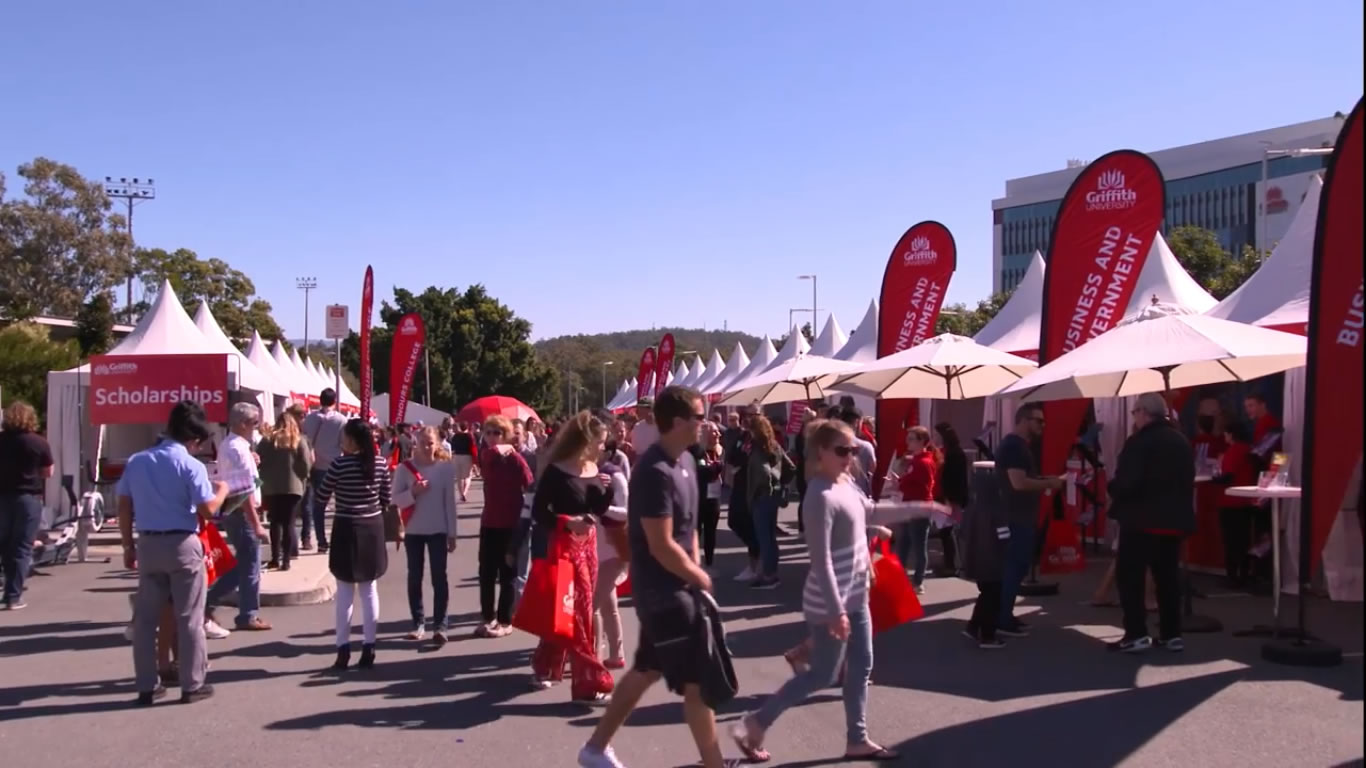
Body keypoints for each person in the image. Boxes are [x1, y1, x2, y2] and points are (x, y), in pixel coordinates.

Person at [578, 386, 743, 768]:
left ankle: (595, 747)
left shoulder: (685, 460)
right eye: (701, 418)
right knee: (697, 682)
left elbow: (691, 528)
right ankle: (713, 763)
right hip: (664, 592)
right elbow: (660, 543)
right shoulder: (653, 471)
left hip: (678, 588)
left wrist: (697, 567)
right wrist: (699, 577)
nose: (707, 424)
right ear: (680, 422)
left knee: (646, 671)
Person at [730, 419, 899, 763]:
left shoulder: (845, 483)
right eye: (842, 450)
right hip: (831, 599)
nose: (850, 456)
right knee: (822, 674)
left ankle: (857, 739)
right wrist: (836, 611)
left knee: (861, 664)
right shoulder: (819, 495)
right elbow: (820, 561)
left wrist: (920, 509)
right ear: (821, 452)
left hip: (857, 593)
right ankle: (754, 725)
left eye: (853, 449)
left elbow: (864, 513)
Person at [117, 400, 229, 704]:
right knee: (189, 617)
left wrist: (128, 544)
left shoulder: (138, 461)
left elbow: (124, 504)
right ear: (194, 439)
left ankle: (146, 683)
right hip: (182, 543)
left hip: (149, 542)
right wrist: (223, 491)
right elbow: (207, 510)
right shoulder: (191, 465)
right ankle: (192, 684)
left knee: (145, 620)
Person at [528, 411, 615, 702]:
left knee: (581, 609)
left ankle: (546, 664)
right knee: (569, 609)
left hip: (588, 545)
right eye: (599, 442)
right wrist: (567, 521)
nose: (603, 447)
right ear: (585, 441)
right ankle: (588, 678)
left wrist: (609, 489)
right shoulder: (556, 471)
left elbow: (598, 509)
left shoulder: (593, 468)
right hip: (563, 546)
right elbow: (540, 512)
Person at [1108, 392, 1196, 654]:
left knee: (1131, 578)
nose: (1134, 416)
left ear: (1145, 412)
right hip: (1173, 522)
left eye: (1135, 412)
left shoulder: (1139, 442)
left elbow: (1128, 481)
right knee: (1167, 578)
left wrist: (1113, 488)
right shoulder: (1180, 441)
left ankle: (1136, 633)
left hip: (1141, 520)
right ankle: (1172, 634)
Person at [314, 419, 392, 670]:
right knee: (370, 590)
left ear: (351, 440)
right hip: (371, 528)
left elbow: (321, 496)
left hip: (346, 527)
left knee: (345, 593)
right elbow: (386, 499)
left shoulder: (339, 464)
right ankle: (369, 647)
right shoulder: (380, 464)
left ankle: (342, 648)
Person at [995, 403, 1064, 637]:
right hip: (1016, 517)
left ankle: (1005, 615)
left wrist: (1045, 479)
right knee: (1015, 566)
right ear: (1023, 420)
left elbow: (1023, 479)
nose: (1042, 426)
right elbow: (1018, 482)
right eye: (1038, 421)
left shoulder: (1019, 446)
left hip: (1018, 515)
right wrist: (1048, 484)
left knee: (1017, 566)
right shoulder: (1015, 447)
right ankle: (1003, 618)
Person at [206, 402, 272, 633]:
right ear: (243, 424)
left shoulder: (233, 446)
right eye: (254, 423)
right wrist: (256, 524)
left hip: (237, 509)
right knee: (249, 564)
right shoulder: (237, 448)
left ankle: (225, 605)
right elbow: (243, 491)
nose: (256, 428)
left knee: (245, 563)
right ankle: (241, 612)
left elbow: (248, 482)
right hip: (240, 510)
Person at [393, 426, 459, 644]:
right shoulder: (404, 469)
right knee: (415, 577)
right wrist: (413, 492)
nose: (427, 447)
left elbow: (449, 502)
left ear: (438, 444)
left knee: (439, 578)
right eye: (422, 442)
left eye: (431, 443)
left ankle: (440, 626)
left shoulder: (445, 469)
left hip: (438, 530)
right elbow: (395, 500)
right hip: (413, 530)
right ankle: (417, 623)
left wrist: (452, 533)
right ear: (415, 443)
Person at [476, 415, 534, 637]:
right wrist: (500, 449)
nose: (492, 437)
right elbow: (486, 464)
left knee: (508, 573)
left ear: (506, 435)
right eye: (488, 432)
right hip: (489, 521)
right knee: (486, 573)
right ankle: (487, 617)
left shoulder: (516, 459)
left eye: (497, 433)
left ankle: (505, 620)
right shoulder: (488, 455)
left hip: (511, 523)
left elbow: (530, 483)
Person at [0, 401, 53, 610]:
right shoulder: (38, 443)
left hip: (2, 496)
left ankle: (7, 590)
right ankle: (13, 596)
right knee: (21, 547)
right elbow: (48, 471)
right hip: (28, 498)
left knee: (4, 545)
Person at [257, 407, 313, 572]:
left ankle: (275, 558)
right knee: (289, 523)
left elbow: (258, 460)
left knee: (275, 523)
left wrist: (261, 479)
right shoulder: (298, 440)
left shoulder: (267, 440)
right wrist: (303, 478)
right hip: (293, 488)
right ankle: (286, 560)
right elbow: (305, 463)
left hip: (271, 487)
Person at [746, 415, 794, 590]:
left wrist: (767, 486)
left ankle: (769, 575)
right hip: (772, 497)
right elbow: (791, 468)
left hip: (762, 496)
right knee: (770, 537)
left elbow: (764, 473)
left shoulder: (758, 448)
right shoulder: (774, 446)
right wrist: (781, 484)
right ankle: (771, 572)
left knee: (765, 538)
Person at [594, 448, 631, 668]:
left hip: (614, 548)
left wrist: (601, 507)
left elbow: (625, 512)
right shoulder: (589, 474)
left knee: (592, 605)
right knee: (608, 605)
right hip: (596, 548)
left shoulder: (614, 475)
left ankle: (594, 657)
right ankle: (617, 655)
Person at [1215, 422, 1263, 589]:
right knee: (1243, 540)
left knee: (1231, 541)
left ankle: (1233, 576)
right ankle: (1243, 574)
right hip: (1246, 500)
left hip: (1231, 501)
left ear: (1231, 434)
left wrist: (1214, 479)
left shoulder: (1233, 451)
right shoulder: (1249, 449)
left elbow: (1228, 476)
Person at [892, 425, 939, 593]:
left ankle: (918, 581)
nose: (907, 442)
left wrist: (902, 483)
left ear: (921, 442)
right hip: (909, 506)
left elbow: (924, 488)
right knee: (903, 542)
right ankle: (900, 576)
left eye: (911, 439)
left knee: (919, 546)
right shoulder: (916, 460)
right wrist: (902, 482)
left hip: (919, 507)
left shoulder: (924, 462)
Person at [301, 389, 348, 553]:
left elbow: (304, 440)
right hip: (336, 465)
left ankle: (320, 540)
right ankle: (340, 538)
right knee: (341, 505)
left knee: (317, 505)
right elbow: (344, 444)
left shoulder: (309, 418)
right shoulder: (341, 420)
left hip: (315, 466)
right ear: (334, 401)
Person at [933, 422, 970, 577]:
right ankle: (951, 563)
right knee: (948, 531)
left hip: (951, 497)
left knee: (949, 532)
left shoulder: (954, 454)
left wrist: (949, 498)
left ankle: (952, 565)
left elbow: (952, 479)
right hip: (951, 496)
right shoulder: (952, 452)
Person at [693, 421, 725, 568]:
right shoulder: (696, 451)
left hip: (714, 497)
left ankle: (709, 564)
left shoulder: (720, 450)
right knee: (696, 531)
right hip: (698, 497)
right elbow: (703, 473)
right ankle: (693, 563)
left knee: (711, 532)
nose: (718, 434)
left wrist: (717, 467)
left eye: (718, 431)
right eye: (714, 431)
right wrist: (718, 467)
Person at [449, 421, 477, 502]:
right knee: (467, 477)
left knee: (459, 478)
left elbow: (453, 447)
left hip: (457, 457)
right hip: (467, 456)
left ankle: (461, 494)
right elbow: (473, 447)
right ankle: (464, 493)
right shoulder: (469, 436)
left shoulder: (455, 436)